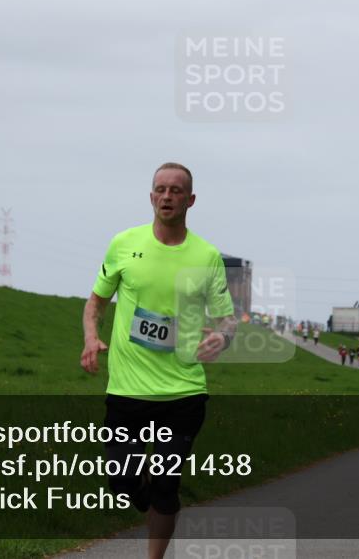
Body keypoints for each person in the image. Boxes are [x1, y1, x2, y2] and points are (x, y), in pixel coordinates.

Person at [81, 162, 237, 559]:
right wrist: (90, 337)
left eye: (176, 191)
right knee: (123, 481)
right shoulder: (123, 244)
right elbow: (96, 302)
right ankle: (156, 500)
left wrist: (223, 337)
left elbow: (227, 319)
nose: (167, 196)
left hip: (183, 391)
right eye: (160, 189)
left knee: (166, 486)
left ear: (190, 200)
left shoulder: (206, 255)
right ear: (151, 196)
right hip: (127, 390)